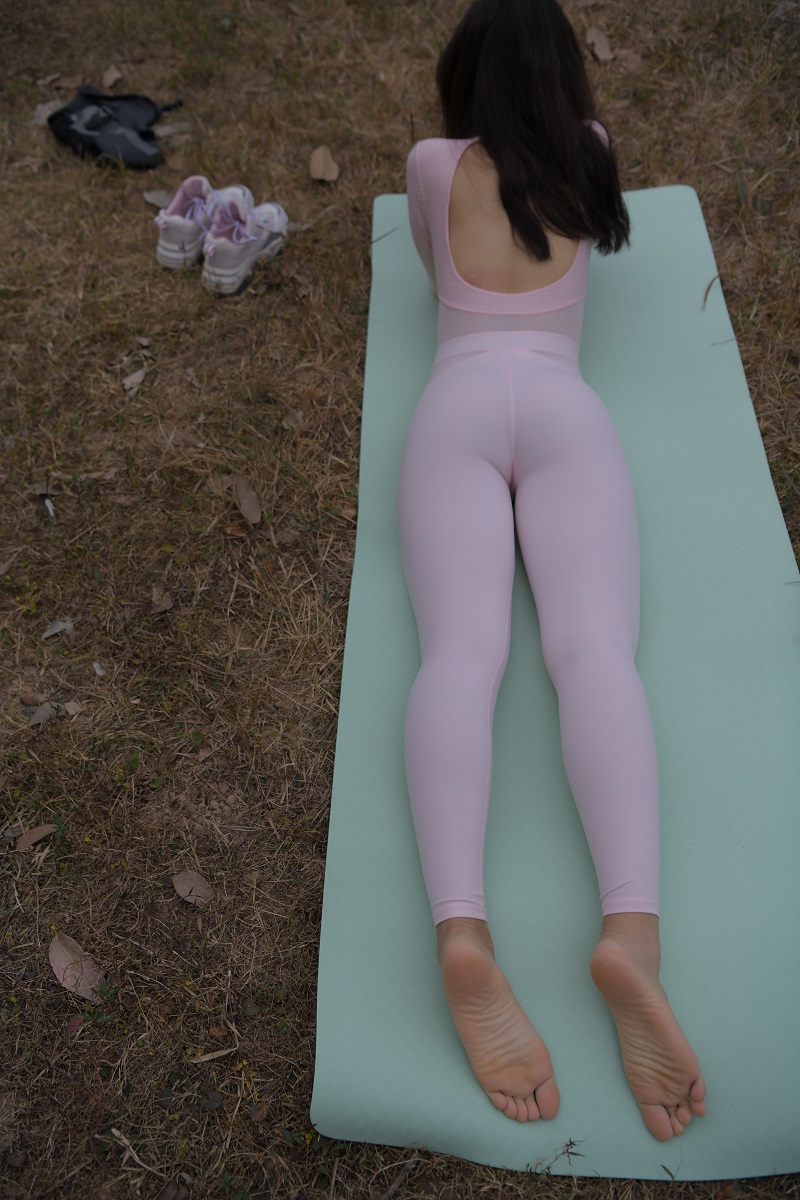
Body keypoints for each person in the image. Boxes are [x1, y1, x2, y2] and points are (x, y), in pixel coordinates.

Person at [397, 0, 706, 1142]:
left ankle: (461, 931)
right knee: (593, 654)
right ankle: (631, 933)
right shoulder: (592, 154)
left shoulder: (434, 166)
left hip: (459, 408)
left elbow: (434, 269)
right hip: (567, 412)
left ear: (464, 76)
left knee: (460, 656)